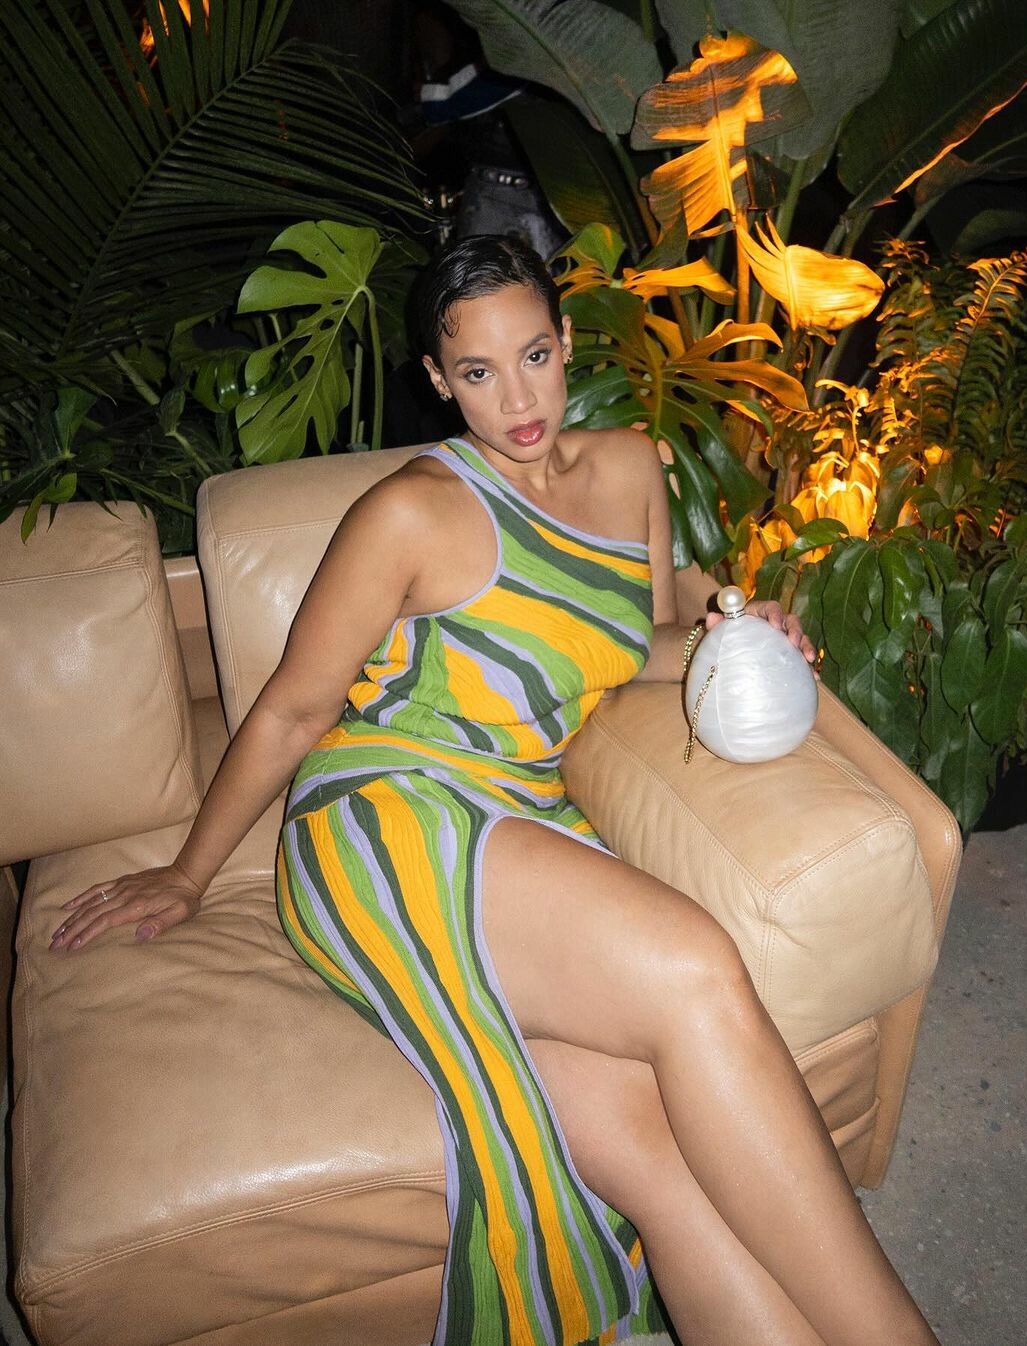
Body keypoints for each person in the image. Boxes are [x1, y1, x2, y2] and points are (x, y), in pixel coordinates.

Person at [47, 234, 941, 1346]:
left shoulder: (632, 467)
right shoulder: (411, 512)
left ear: (566, 341)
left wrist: (731, 634)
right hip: (391, 816)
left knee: (667, 1172)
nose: (518, 401)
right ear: (438, 378)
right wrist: (188, 875)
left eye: (534, 357)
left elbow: (640, 640)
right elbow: (290, 710)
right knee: (697, 967)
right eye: (478, 372)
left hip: (523, 809)